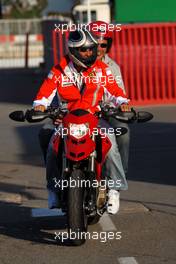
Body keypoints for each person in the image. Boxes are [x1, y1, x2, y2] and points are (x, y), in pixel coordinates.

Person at [33, 28, 130, 214]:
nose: (90, 53)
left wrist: (123, 103)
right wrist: (40, 106)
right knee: (54, 148)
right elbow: (44, 94)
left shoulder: (102, 69)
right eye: (85, 50)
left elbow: (116, 91)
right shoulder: (59, 70)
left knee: (110, 145)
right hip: (65, 120)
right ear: (74, 51)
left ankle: (114, 190)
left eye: (91, 49)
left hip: (94, 119)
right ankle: (53, 189)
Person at [89, 21, 130, 175]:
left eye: (103, 45)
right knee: (47, 134)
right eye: (95, 44)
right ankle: (56, 182)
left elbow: (120, 95)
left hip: (106, 114)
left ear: (108, 46)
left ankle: (118, 177)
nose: (99, 49)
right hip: (78, 114)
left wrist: (122, 105)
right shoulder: (75, 64)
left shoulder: (113, 67)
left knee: (123, 132)